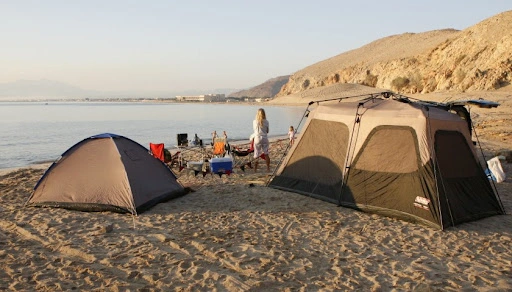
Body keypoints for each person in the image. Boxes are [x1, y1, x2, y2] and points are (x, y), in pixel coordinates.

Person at [252, 108, 270, 172]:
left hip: (257, 138)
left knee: (256, 154)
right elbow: (267, 131)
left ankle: (255, 169)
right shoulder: (266, 121)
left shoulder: (255, 121)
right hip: (264, 137)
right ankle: (268, 168)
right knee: (266, 153)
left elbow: (254, 130)